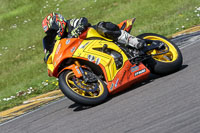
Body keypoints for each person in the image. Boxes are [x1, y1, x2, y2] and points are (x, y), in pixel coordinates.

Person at [42, 12, 144, 62]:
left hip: (95, 36)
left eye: (53, 30)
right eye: (50, 33)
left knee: (102, 26)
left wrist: (78, 29)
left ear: (58, 22)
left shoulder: (70, 24)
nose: (53, 34)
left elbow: (83, 20)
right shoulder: (60, 42)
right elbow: (49, 53)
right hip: (85, 52)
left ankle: (132, 40)